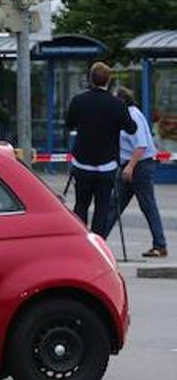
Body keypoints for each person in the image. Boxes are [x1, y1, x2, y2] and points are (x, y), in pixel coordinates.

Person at [65, 62, 136, 233]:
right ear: (108, 80)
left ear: (91, 79)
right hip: (107, 164)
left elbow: (69, 124)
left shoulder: (79, 100)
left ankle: (81, 241)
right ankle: (98, 241)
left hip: (82, 162)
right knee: (102, 207)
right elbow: (131, 128)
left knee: (81, 204)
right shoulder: (116, 104)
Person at [106, 89, 167, 258]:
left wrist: (130, 167)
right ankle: (99, 241)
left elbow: (141, 145)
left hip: (140, 165)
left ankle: (160, 245)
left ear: (122, 102)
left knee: (147, 205)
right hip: (129, 165)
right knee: (114, 205)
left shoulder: (133, 116)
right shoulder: (122, 117)